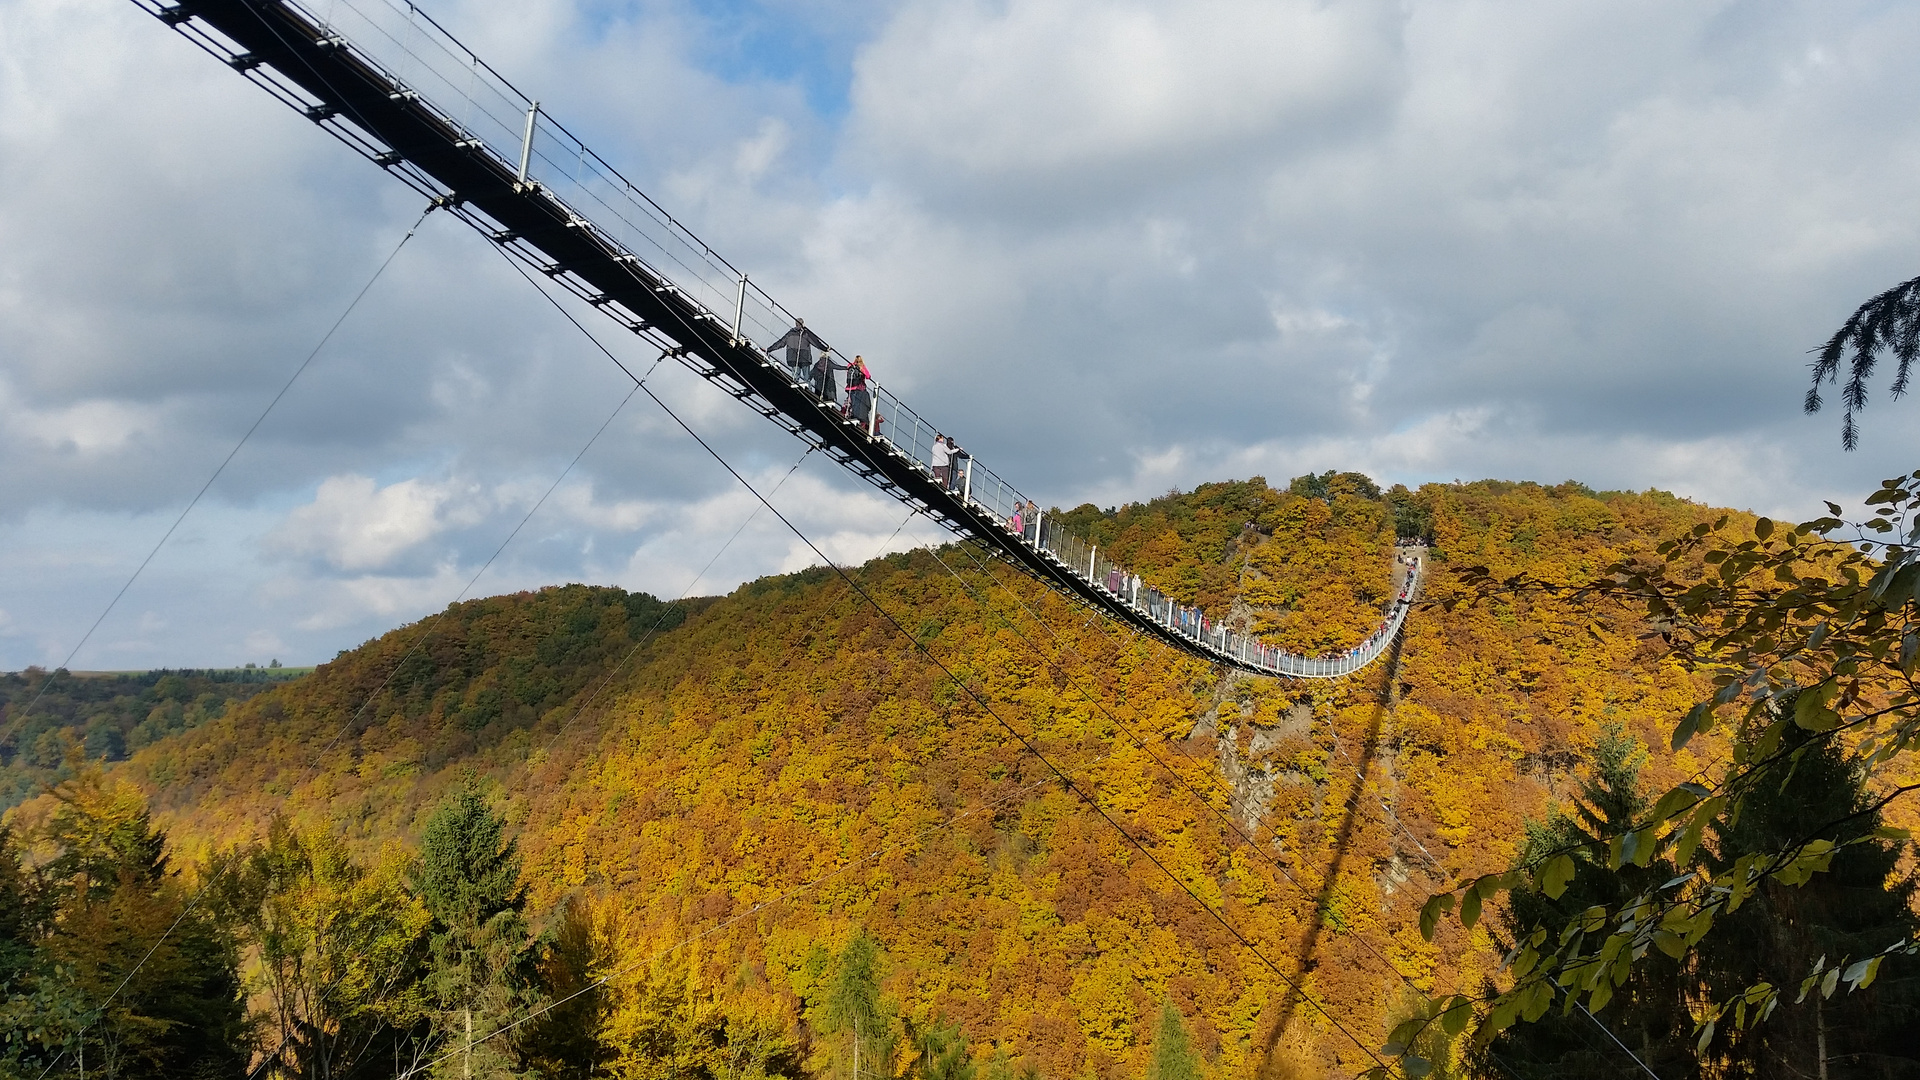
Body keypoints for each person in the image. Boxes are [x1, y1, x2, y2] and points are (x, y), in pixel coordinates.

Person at [766, 318, 830, 384]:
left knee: (795, 378)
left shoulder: (790, 334)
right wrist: (825, 349)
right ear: (803, 324)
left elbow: (780, 343)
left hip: (793, 358)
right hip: (805, 358)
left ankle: (794, 388)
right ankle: (807, 391)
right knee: (806, 379)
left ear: (795, 324)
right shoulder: (806, 333)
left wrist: (769, 349)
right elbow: (816, 343)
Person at [846, 355, 873, 428]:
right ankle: (855, 417)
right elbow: (868, 376)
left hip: (850, 387)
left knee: (852, 402)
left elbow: (847, 371)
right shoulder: (862, 367)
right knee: (857, 404)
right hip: (859, 388)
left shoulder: (850, 365)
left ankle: (850, 415)